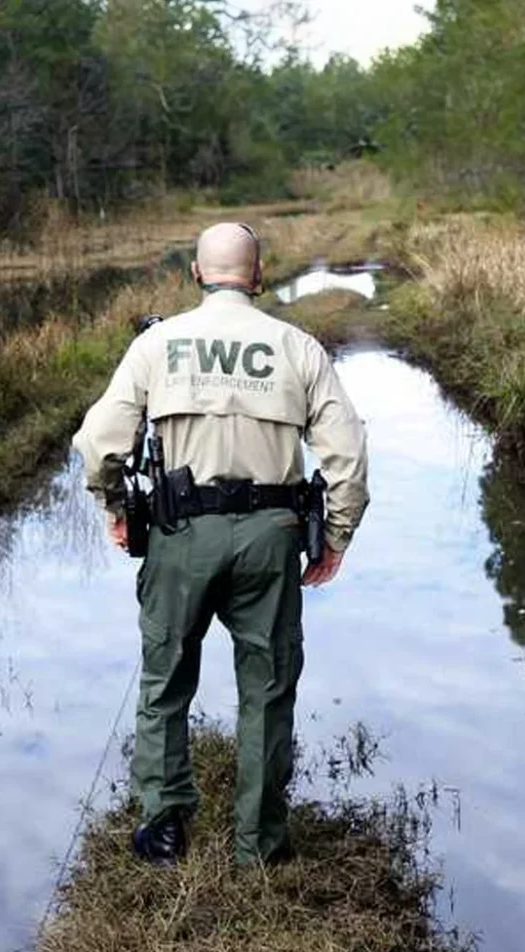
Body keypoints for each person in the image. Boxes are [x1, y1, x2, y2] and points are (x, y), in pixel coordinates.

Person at [71, 222, 369, 867]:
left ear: (197, 275)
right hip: (272, 538)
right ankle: (258, 842)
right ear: (258, 278)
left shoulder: (158, 344)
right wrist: (336, 536)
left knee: (166, 679)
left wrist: (116, 509)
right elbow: (347, 454)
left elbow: (99, 442)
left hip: (180, 534)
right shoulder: (297, 346)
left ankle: (165, 827)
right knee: (267, 690)